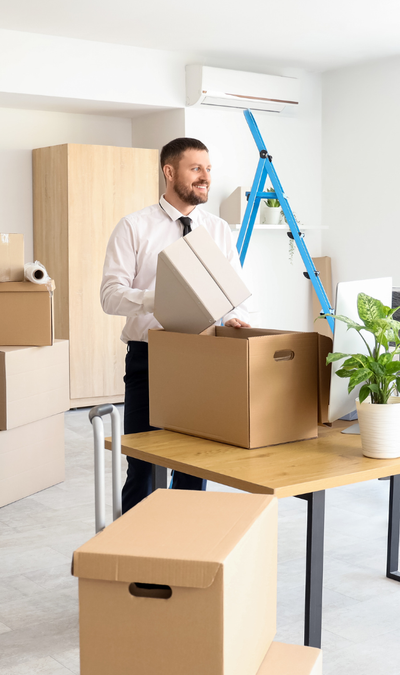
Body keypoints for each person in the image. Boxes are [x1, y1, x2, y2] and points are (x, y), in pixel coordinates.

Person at [100, 138, 252, 513]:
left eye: (209, 170)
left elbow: (237, 294)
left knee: (194, 466)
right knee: (144, 464)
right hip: (150, 359)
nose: (205, 178)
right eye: (196, 168)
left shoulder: (218, 231)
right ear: (170, 172)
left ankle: (182, 550)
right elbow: (110, 297)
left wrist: (235, 317)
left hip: (203, 359)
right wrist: (164, 297)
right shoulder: (134, 227)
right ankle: (135, 558)